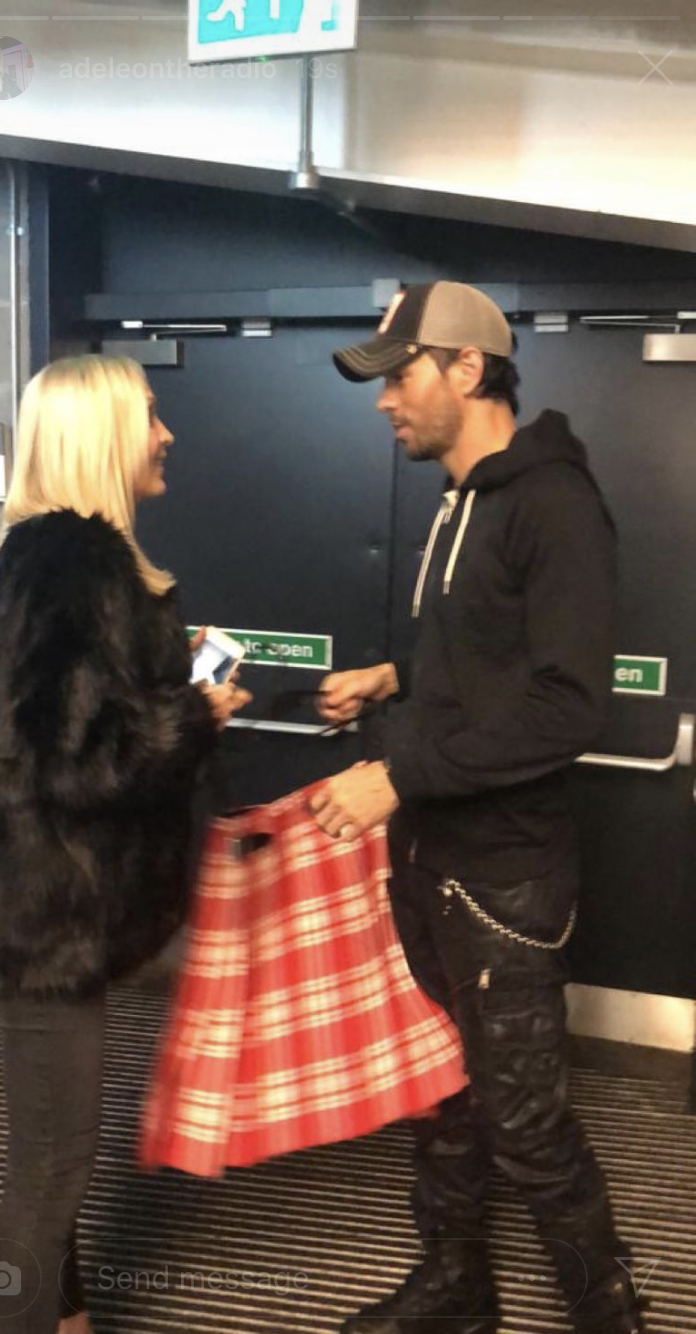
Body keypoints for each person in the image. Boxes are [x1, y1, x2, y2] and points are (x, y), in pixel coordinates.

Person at [310, 282, 645, 1334]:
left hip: (504, 877)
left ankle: (608, 1310)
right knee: (440, 1089)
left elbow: (565, 706)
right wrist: (393, 677)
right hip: (429, 858)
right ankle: (459, 1286)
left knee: (525, 1121)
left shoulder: (554, 504)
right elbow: (484, 656)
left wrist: (399, 776)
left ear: (466, 368)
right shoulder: (464, 499)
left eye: (399, 375)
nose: (383, 401)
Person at [0, 354, 250, 1334]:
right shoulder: (74, 562)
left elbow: (28, 716)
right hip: (53, 916)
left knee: (50, 1159)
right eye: (150, 414)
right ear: (102, 432)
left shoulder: (51, 558)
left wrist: (162, 685)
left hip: (47, 905)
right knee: (50, 1167)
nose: (166, 434)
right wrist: (195, 714)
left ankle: (63, 1317)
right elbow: (69, 754)